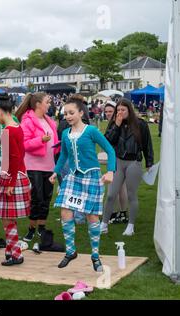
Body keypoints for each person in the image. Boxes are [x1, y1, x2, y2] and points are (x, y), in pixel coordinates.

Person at [49, 97, 116, 272]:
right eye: (65, 114)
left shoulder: (91, 131)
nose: (68, 116)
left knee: (91, 216)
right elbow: (63, 155)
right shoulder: (65, 134)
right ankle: (71, 251)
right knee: (65, 210)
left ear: (80, 113)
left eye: (71, 113)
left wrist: (110, 171)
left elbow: (110, 150)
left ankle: (95, 255)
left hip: (92, 177)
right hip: (72, 177)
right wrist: (55, 172)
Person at [0, 93, 31, 266]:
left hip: (13, 177)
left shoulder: (8, 130)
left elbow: (13, 157)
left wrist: (11, 183)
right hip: (19, 174)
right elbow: (20, 155)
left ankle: (16, 254)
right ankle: (10, 250)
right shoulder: (17, 126)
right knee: (8, 217)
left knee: (7, 218)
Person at [101, 98, 154, 236]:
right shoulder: (114, 123)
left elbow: (148, 144)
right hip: (118, 161)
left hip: (134, 162)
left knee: (132, 195)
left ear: (129, 110)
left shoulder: (140, 124)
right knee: (111, 194)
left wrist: (149, 163)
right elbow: (107, 141)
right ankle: (104, 224)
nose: (120, 112)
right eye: (118, 110)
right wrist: (117, 125)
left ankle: (130, 226)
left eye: (123, 110)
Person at [16, 93, 59, 242]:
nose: (49, 104)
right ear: (38, 104)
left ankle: (42, 228)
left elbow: (54, 141)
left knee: (46, 198)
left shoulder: (49, 120)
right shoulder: (27, 121)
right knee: (36, 198)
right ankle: (31, 229)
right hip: (33, 166)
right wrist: (40, 140)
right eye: (47, 102)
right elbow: (24, 144)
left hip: (49, 166)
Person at [102, 101, 129, 224]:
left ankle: (114, 213)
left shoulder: (118, 123)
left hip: (117, 159)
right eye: (106, 111)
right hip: (116, 158)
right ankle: (122, 213)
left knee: (114, 188)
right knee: (120, 187)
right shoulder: (113, 123)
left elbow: (111, 140)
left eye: (110, 111)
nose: (108, 114)